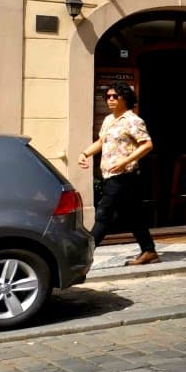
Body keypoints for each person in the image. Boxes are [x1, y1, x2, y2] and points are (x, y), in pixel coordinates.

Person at [79, 83, 158, 265]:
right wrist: (85, 154)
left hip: (125, 176)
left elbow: (147, 144)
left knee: (104, 214)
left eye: (115, 96)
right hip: (109, 175)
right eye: (108, 97)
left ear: (125, 98)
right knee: (133, 214)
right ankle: (148, 250)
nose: (111, 100)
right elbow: (101, 141)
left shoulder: (133, 120)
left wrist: (125, 161)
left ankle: (83, 254)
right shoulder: (108, 120)